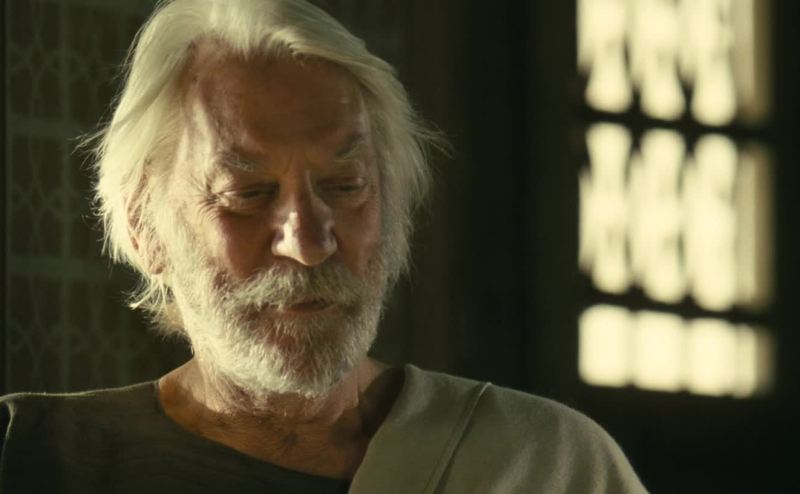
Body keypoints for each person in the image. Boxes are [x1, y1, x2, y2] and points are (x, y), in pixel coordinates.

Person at [0, 0, 647, 492]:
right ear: (144, 227)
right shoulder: (35, 459)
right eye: (247, 194)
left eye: (345, 186)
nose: (309, 244)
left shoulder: (544, 465)